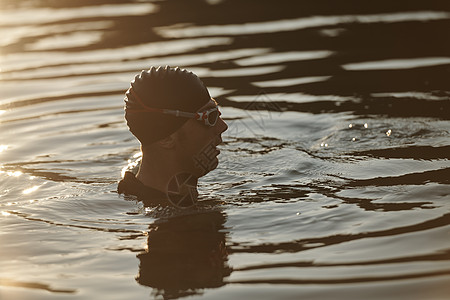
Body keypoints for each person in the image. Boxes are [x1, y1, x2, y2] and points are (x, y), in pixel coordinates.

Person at [118, 66, 228, 208]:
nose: (222, 127)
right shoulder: (175, 220)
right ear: (166, 139)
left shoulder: (134, 178)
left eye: (217, 112)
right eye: (209, 117)